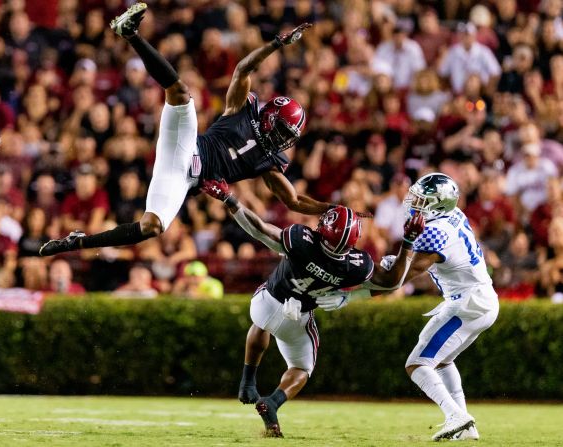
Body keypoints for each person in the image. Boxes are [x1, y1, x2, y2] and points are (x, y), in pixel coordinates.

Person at [40, 3, 332, 257]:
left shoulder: (270, 162)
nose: (283, 140)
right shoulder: (244, 108)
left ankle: (78, 242)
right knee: (180, 92)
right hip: (186, 144)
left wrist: (330, 209)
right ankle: (130, 33)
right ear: (270, 117)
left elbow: (294, 200)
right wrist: (276, 45)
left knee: (152, 226)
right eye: (282, 130)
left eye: (288, 136)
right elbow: (242, 70)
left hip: (184, 178)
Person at [202, 179, 419, 438]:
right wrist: (408, 241)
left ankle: (248, 381)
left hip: (267, 302)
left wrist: (230, 199)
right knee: (302, 369)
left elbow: (259, 229)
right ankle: (272, 402)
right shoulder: (356, 265)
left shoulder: (302, 241)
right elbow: (391, 283)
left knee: (261, 324)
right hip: (299, 319)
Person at [316, 173, 498, 441]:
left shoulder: (437, 232)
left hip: (467, 304)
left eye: (421, 200)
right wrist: (404, 258)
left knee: (418, 364)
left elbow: (395, 282)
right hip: (482, 299)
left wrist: (350, 296)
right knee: (443, 361)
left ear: (437, 204)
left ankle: (456, 417)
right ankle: (466, 426)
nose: (413, 202)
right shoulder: (453, 214)